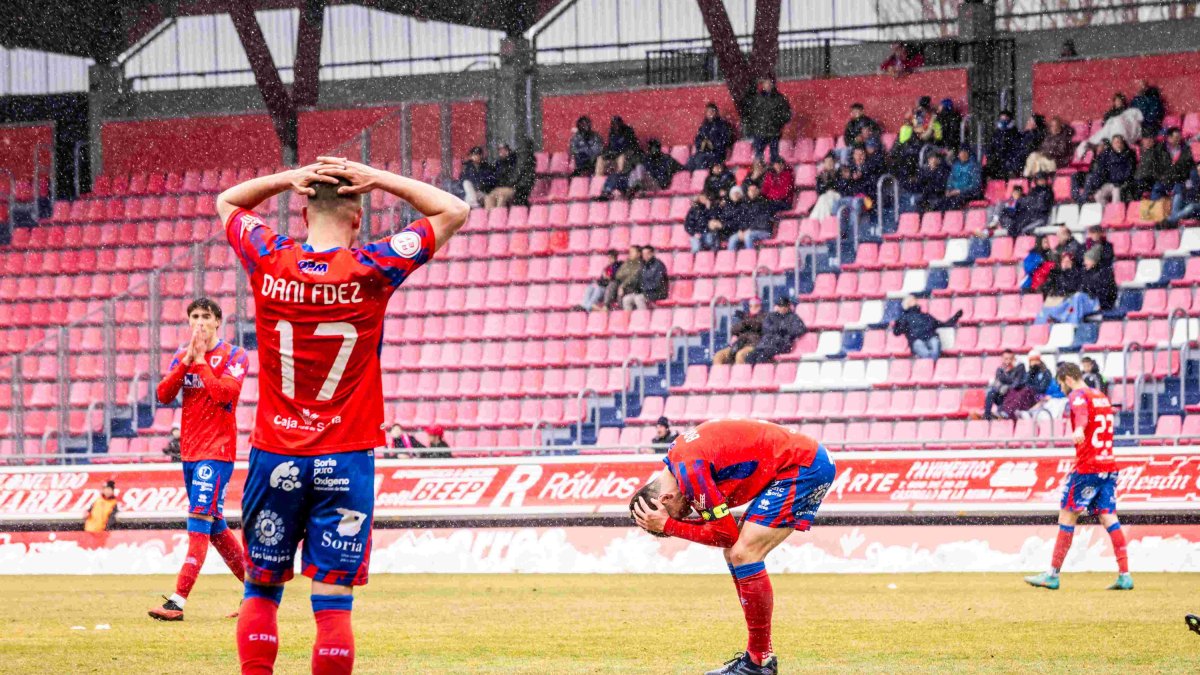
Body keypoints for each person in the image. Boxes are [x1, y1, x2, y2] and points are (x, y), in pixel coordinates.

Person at [218, 155, 468, 674]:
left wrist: (287, 178)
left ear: (302, 212)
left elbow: (228, 201)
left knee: (261, 587)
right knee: (333, 600)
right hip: (346, 457)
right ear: (358, 219)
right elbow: (454, 210)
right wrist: (379, 178)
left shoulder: (270, 259)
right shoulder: (371, 268)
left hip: (276, 453)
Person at [630, 419, 837, 675]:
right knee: (735, 553)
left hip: (804, 465)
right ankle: (758, 657)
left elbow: (724, 535)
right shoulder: (680, 463)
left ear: (665, 498)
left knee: (744, 553)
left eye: (677, 514)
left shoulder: (691, 472)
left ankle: (759, 662)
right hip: (802, 461)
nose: (686, 513)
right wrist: (670, 523)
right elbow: (723, 533)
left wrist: (670, 526)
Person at [149, 297, 248, 622]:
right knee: (215, 527)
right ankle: (258, 592)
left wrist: (202, 361)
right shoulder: (183, 355)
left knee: (198, 524)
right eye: (195, 316)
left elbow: (224, 395)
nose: (200, 322)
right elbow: (163, 395)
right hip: (190, 453)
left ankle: (177, 601)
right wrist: (187, 361)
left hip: (216, 452)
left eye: (206, 316)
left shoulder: (235, 355)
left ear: (218, 321)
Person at [1025, 362, 1131, 591]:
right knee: (1108, 517)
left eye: (1061, 384)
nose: (1062, 389)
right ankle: (1125, 574)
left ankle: (1052, 575)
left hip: (1088, 467)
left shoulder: (1078, 395)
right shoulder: (1101, 396)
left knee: (1067, 516)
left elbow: (1081, 414)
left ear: (1068, 379)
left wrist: (1079, 428)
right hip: (1108, 465)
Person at [891, 295, 962, 360]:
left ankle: (931, 363)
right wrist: (898, 323)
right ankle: (932, 363)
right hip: (916, 340)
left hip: (930, 338)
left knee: (935, 342)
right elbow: (897, 332)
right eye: (912, 300)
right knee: (921, 346)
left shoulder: (926, 316)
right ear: (908, 304)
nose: (916, 301)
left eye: (914, 300)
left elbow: (944, 324)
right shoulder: (904, 318)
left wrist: (956, 317)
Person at [742, 77, 792, 162]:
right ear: (762, 85)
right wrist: (754, 126)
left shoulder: (779, 98)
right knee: (758, 156)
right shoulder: (757, 98)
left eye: (769, 83)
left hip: (774, 132)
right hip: (759, 132)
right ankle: (760, 170)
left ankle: (772, 169)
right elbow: (749, 113)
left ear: (773, 84)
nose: (768, 85)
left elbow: (787, 114)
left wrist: (777, 123)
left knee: (774, 156)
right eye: (766, 83)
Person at [1078, 135, 1137, 205]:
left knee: (1116, 193)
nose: (1118, 144)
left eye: (1120, 142)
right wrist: (1102, 181)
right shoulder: (1107, 155)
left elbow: (1129, 172)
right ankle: (1106, 210)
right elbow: (1101, 170)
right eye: (1116, 143)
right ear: (1112, 144)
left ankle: (1115, 211)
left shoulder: (1129, 155)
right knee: (1098, 195)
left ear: (1123, 144)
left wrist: (1121, 181)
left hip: (1122, 184)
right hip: (1109, 183)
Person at [746, 297, 806, 364]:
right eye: (780, 306)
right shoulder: (771, 316)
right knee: (750, 356)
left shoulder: (793, 317)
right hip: (767, 343)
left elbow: (799, 329)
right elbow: (766, 328)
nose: (782, 308)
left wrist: (784, 332)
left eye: (784, 306)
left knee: (762, 357)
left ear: (788, 306)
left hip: (782, 344)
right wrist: (779, 329)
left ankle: (762, 370)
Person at [713, 297, 764, 365]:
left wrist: (744, 322)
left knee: (740, 355)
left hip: (753, 345)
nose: (753, 308)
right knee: (718, 356)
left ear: (760, 306)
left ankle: (740, 372)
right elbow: (733, 329)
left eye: (756, 305)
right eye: (751, 306)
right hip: (740, 344)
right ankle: (720, 372)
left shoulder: (764, 316)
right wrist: (744, 322)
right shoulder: (745, 317)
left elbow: (757, 325)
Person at [1001, 351, 1052, 418]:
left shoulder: (1045, 372)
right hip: (1029, 395)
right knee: (1013, 391)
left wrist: (1031, 388)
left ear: (1039, 360)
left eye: (1035, 360)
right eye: (1032, 361)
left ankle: (1009, 412)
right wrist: (1031, 372)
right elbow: (1025, 383)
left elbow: (1042, 388)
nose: (1034, 363)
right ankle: (1004, 411)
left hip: (1039, 396)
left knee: (1026, 390)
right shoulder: (1030, 372)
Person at [687, 102, 736, 171]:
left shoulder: (722, 125)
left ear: (716, 112)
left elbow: (726, 140)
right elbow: (698, 139)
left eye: (712, 111)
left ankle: (703, 175)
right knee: (691, 160)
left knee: (701, 159)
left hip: (717, 153)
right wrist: (703, 143)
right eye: (708, 111)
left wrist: (712, 144)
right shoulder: (704, 126)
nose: (710, 113)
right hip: (704, 152)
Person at [727, 184, 776, 251]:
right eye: (750, 190)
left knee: (748, 236)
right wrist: (741, 230)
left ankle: (750, 256)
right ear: (748, 192)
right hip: (749, 231)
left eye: (754, 190)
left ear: (758, 191)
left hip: (764, 231)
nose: (752, 192)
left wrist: (750, 229)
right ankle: (730, 257)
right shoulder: (745, 204)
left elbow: (762, 220)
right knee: (733, 239)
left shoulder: (764, 203)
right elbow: (743, 219)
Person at [983, 350, 1026, 420]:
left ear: (1014, 359)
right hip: (1001, 395)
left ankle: (1001, 414)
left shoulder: (1019, 368)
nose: (1008, 361)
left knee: (1009, 393)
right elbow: (998, 383)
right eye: (1006, 359)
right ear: (1002, 359)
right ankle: (987, 415)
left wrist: (1007, 386)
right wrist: (1002, 386)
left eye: (1010, 359)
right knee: (991, 393)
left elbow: (1017, 383)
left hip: (1012, 397)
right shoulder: (1000, 370)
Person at [622, 246, 669, 310]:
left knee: (639, 298)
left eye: (647, 253)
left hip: (657, 292)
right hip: (645, 292)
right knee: (626, 299)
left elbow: (658, 283)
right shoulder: (643, 265)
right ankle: (629, 316)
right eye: (643, 254)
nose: (645, 256)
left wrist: (644, 288)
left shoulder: (659, 265)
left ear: (652, 253)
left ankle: (643, 316)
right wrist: (628, 288)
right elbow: (638, 280)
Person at [986, 110, 1024, 180]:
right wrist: (992, 159)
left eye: (1006, 119)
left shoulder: (1015, 134)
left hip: (1010, 163)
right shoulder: (996, 134)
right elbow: (990, 149)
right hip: (997, 163)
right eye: (1002, 119)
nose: (1003, 121)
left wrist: (1010, 161)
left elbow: (1018, 150)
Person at [1081, 247, 1119, 311]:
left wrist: (1099, 303)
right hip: (1092, 302)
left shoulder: (1105, 272)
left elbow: (1106, 292)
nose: (1084, 263)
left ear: (1094, 260)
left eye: (1087, 260)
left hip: (1103, 304)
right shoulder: (1087, 272)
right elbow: (1083, 289)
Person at [483, 143, 518, 209]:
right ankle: (490, 215)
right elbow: (493, 177)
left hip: (510, 188)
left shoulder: (513, 161)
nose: (501, 152)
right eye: (499, 150)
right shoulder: (498, 163)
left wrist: (508, 184)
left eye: (503, 150)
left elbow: (514, 177)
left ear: (507, 151)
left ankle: (499, 214)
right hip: (499, 188)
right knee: (488, 197)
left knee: (501, 197)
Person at [810, 154, 841, 221]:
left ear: (834, 163)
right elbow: (819, 191)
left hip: (837, 196)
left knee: (825, 198)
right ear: (824, 164)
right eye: (827, 162)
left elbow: (840, 187)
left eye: (831, 161)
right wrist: (825, 184)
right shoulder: (821, 175)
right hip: (825, 197)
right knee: (823, 198)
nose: (829, 163)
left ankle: (818, 221)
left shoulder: (838, 174)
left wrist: (830, 184)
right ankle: (823, 220)